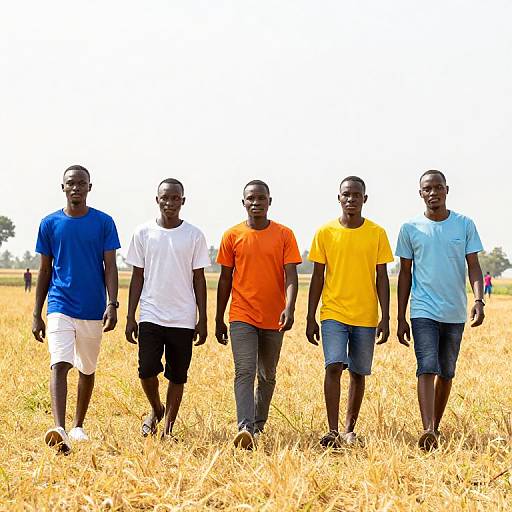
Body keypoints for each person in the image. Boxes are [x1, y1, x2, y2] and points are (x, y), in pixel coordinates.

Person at [32, 165, 120, 453]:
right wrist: (37, 313)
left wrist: (112, 303)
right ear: (63, 187)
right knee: (60, 362)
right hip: (59, 304)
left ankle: (78, 425)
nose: (76, 188)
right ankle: (59, 427)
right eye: (71, 183)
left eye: (81, 183)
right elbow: (44, 270)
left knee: (87, 367)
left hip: (93, 308)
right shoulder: (49, 224)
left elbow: (110, 267)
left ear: (89, 187)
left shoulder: (104, 223)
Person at [396, 170, 485, 451]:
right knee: (427, 365)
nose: (433, 193)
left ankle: (436, 425)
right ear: (420, 193)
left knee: (447, 372)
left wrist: (479, 300)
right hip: (423, 309)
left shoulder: (464, 225)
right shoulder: (410, 228)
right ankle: (428, 430)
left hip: (455, 312)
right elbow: (405, 275)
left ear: (447, 190)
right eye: (427, 189)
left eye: (438, 188)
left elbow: (473, 266)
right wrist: (400, 316)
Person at [306, 176, 393, 448]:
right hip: (333, 312)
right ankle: (332, 431)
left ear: (364, 199)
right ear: (339, 197)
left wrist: (386, 316)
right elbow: (318, 277)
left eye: (357, 195)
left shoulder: (377, 233)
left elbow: (382, 277)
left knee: (358, 372)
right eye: (346, 194)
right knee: (333, 365)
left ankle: (348, 430)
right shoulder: (325, 232)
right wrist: (310, 317)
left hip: (366, 315)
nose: (351, 199)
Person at [215, 180, 301, 449]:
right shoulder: (232, 236)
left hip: (274, 318)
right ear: (243, 203)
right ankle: (245, 428)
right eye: (251, 199)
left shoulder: (285, 235)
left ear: (269, 202)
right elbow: (225, 279)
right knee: (245, 371)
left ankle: (258, 424)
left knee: (268, 375)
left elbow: (291, 275)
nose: (256, 203)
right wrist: (218, 318)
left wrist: (290, 307)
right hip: (242, 315)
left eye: (261, 198)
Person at [125, 178, 210, 439]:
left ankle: (168, 429)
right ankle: (156, 408)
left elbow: (199, 279)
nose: (170, 202)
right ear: (157, 200)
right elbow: (137, 276)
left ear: (183, 201)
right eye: (165, 197)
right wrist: (130, 316)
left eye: (175, 198)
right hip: (151, 313)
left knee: (177, 375)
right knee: (146, 369)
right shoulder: (143, 233)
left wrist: (202, 318)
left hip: (183, 318)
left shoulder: (194, 235)